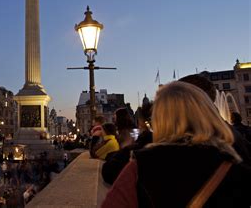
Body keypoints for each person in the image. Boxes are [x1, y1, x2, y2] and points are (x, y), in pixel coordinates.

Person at [102, 81, 251, 208]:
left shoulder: (142, 165)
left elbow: (110, 181)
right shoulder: (236, 165)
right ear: (209, 112)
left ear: (160, 118)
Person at [102, 103, 153, 184]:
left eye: (115, 117)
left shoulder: (128, 134)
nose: (113, 120)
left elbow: (109, 171)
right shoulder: (144, 137)